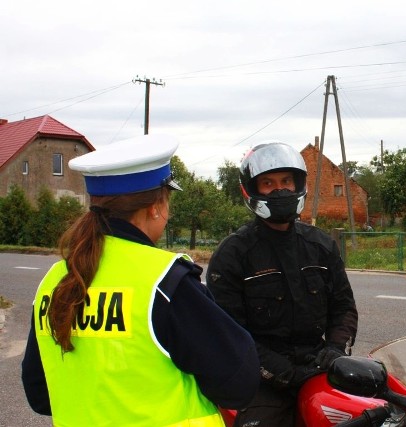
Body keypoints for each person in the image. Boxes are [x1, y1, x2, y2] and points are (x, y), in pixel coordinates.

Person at [21, 134, 260, 426]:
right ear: (155, 207)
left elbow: (39, 394)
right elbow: (239, 382)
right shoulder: (165, 281)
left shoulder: (56, 280)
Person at [206, 141, 358, 427]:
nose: (280, 190)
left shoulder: (321, 245)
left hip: (320, 367)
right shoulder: (233, 254)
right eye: (268, 183)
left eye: (286, 181)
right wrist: (284, 372)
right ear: (251, 190)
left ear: (298, 183)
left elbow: (344, 307)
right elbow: (229, 332)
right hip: (262, 380)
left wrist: (336, 349)